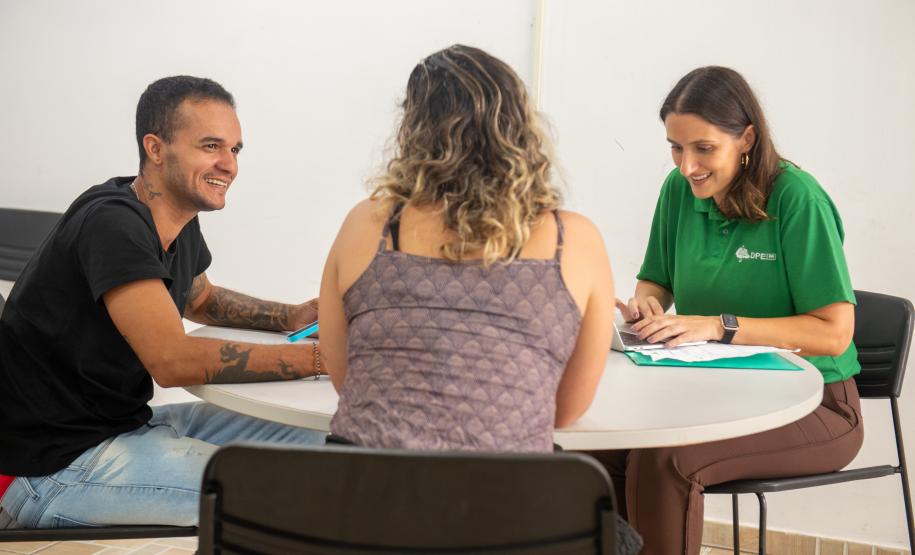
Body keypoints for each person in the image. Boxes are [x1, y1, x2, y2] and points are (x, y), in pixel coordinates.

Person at [0, 76, 326, 529]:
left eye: (235, 149)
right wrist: (316, 358)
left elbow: (201, 298)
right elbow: (172, 361)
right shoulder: (112, 223)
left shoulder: (175, 217)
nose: (228, 164)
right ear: (155, 148)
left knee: (321, 438)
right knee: (291, 492)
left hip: (128, 429)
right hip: (56, 468)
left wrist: (291, 315)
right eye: (211, 145)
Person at [598, 66, 863, 555]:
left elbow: (834, 333)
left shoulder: (798, 200)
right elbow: (656, 280)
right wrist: (647, 307)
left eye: (703, 148)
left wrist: (720, 327)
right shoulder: (679, 191)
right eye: (676, 148)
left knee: (666, 462)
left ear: (746, 138)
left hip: (816, 403)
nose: (686, 166)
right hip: (711, 395)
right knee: (595, 454)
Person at [318, 45, 616, 452]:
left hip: (362, 503)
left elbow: (349, 381)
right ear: (521, 130)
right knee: (608, 513)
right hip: (507, 507)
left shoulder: (368, 225)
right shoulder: (574, 240)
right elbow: (563, 411)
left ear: (413, 129)